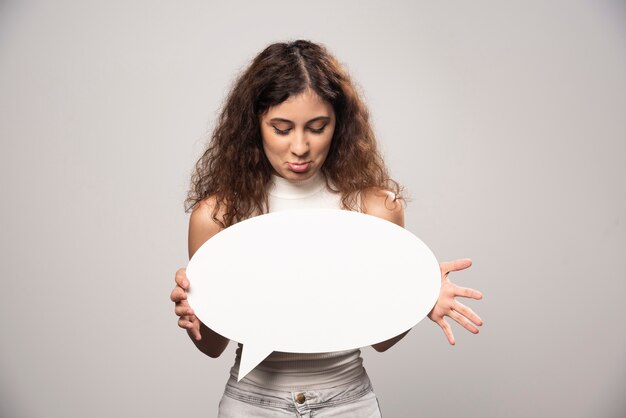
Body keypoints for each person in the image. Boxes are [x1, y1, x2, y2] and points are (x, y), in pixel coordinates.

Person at [170, 40, 483, 417]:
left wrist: (420, 296)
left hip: (347, 402)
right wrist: (195, 316)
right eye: (281, 128)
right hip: (253, 404)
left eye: (317, 127)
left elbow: (381, 341)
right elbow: (213, 345)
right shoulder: (216, 215)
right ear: (254, 125)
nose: (300, 147)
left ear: (339, 124)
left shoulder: (377, 209)